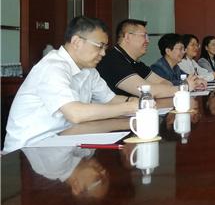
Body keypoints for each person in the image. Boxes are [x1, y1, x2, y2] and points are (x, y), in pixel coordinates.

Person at [3, 16, 139, 152]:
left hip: (62, 141)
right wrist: (128, 107)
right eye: (99, 46)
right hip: (28, 150)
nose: (103, 53)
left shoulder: (89, 70)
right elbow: (75, 113)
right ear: (76, 42)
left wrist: (137, 103)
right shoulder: (52, 67)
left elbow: (110, 100)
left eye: (105, 47)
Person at [96, 19, 202, 98]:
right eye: (144, 36)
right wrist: (183, 88)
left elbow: (164, 82)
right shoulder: (113, 60)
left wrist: (167, 89)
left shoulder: (135, 62)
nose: (148, 41)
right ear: (128, 37)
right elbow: (148, 90)